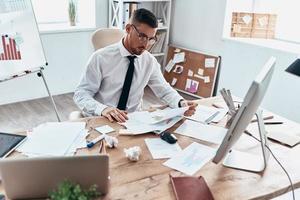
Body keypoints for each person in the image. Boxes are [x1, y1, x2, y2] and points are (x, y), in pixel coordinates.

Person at [74, 8, 197, 123]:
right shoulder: (100, 58)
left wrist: (181, 102)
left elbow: (164, 90)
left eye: (151, 39)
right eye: (142, 36)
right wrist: (103, 109)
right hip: (103, 119)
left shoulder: (149, 61)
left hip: (132, 121)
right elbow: (81, 94)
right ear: (128, 29)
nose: (146, 44)